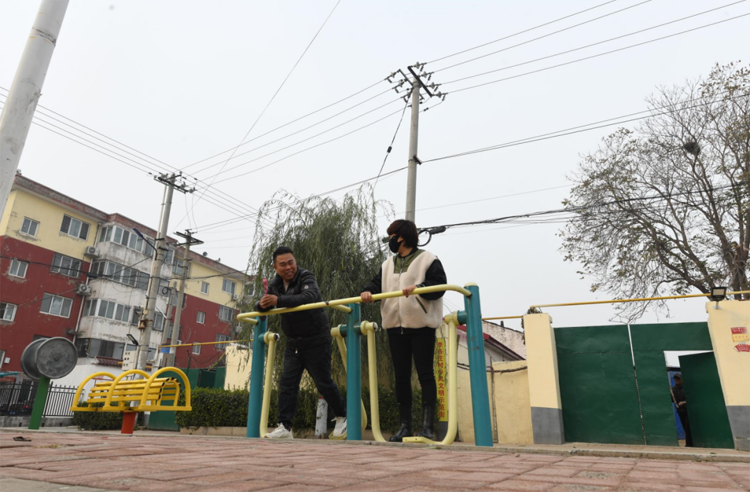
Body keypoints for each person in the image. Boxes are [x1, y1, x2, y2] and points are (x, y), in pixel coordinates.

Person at [361, 219, 447, 442]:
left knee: (425, 374)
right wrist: (367, 292)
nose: (389, 240)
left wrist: (419, 289)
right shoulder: (387, 264)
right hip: (394, 326)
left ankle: (428, 427)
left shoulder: (428, 259)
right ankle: (404, 426)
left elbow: (439, 285)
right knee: (401, 377)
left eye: (392, 236)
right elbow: (374, 284)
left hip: (421, 325)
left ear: (402, 237)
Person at [256, 246, 347, 439]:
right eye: (283, 264)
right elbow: (265, 302)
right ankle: (285, 427)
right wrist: (261, 304)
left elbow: (309, 297)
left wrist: (277, 300)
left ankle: (342, 417)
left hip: (316, 339)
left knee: (323, 382)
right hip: (293, 342)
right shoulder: (276, 284)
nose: (288, 267)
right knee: (287, 384)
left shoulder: (306, 276)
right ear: (275, 267)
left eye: (291, 262)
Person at [671, 373, 693, 447]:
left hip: (687, 410)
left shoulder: (686, 388)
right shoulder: (673, 389)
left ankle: (689, 444)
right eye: (675, 378)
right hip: (680, 411)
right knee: (684, 427)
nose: (677, 380)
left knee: (688, 427)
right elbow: (672, 399)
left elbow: (691, 398)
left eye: (678, 378)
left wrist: (684, 402)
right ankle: (689, 443)